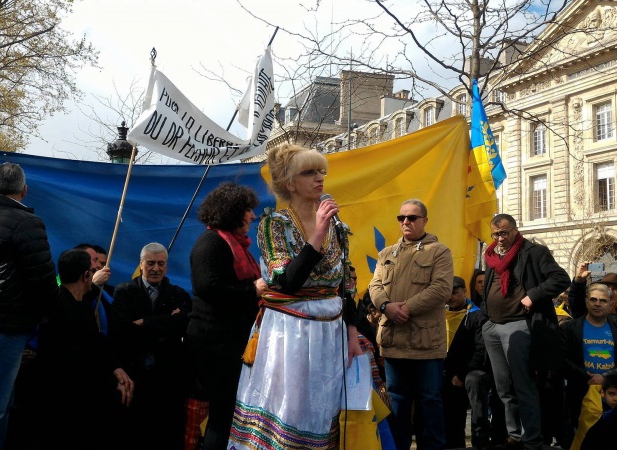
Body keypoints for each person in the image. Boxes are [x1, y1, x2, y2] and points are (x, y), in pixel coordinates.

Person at [228, 144, 362, 450]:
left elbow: (346, 284)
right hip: (290, 332)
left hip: (330, 331)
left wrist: (353, 333)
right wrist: (318, 233)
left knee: (323, 406)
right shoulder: (274, 225)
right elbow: (287, 282)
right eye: (309, 172)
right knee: (291, 404)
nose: (319, 178)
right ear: (290, 183)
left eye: (321, 172)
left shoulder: (337, 226)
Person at [0, 162, 59, 450]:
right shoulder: (27, 222)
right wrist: (50, 312)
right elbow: (42, 276)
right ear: (24, 190)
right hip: (7, 320)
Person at [186, 182, 266, 450]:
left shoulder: (237, 245)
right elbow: (207, 287)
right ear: (231, 211)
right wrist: (252, 290)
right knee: (221, 417)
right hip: (214, 346)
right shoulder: (211, 242)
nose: (253, 216)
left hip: (232, 343)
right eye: (247, 210)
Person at [369, 199, 453, 450]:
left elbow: (441, 289)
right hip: (394, 341)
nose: (405, 221)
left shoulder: (439, 251)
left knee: (429, 401)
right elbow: (375, 286)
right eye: (401, 217)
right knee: (397, 402)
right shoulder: (386, 254)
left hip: (426, 344)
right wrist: (386, 306)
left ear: (425, 221)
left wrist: (404, 308)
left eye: (412, 217)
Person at [482, 213, 569, 450]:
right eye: (495, 234)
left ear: (515, 230)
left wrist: (533, 295)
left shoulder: (534, 252)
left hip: (519, 325)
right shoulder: (491, 256)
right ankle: (514, 436)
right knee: (504, 388)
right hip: (493, 327)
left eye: (504, 233)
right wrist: (485, 319)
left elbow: (561, 278)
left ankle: (532, 439)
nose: (500, 238)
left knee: (524, 386)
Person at [37, 249, 133, 448]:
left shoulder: (81, 304)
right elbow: (71, 358)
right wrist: (111, 381)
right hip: (66, 397)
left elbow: (95, 341)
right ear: (86, 275)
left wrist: (116, 368)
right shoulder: (58, 308)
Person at [110, 242, 192, 450]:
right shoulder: (124, 292)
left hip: (168, 378)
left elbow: (182, 325)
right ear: (141, 264)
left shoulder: (178, 294)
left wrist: (144, 322)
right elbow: (121, 331)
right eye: (151, 263)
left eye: (161, 263)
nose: (156, 268)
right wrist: (166, 321)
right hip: (134, 375)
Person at [560, 282, 617, 431]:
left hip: (613, 395)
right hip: (579, 392)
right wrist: (585, 377)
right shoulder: (569, 328)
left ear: (611, 305)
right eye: (593, 299)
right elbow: (561, 359)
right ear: (586, 302)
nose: (597, 304)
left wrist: (606, 377)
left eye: (603, 300)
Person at [443, 275, 480, 449]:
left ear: (464, 291)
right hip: (440, 374)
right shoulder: (439, 314)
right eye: (447, 293)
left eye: (454, 292)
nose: (450, 297)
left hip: (460, 377)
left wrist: (462, 374)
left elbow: (479, 350)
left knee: (456, 421)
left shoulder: (476, 316)